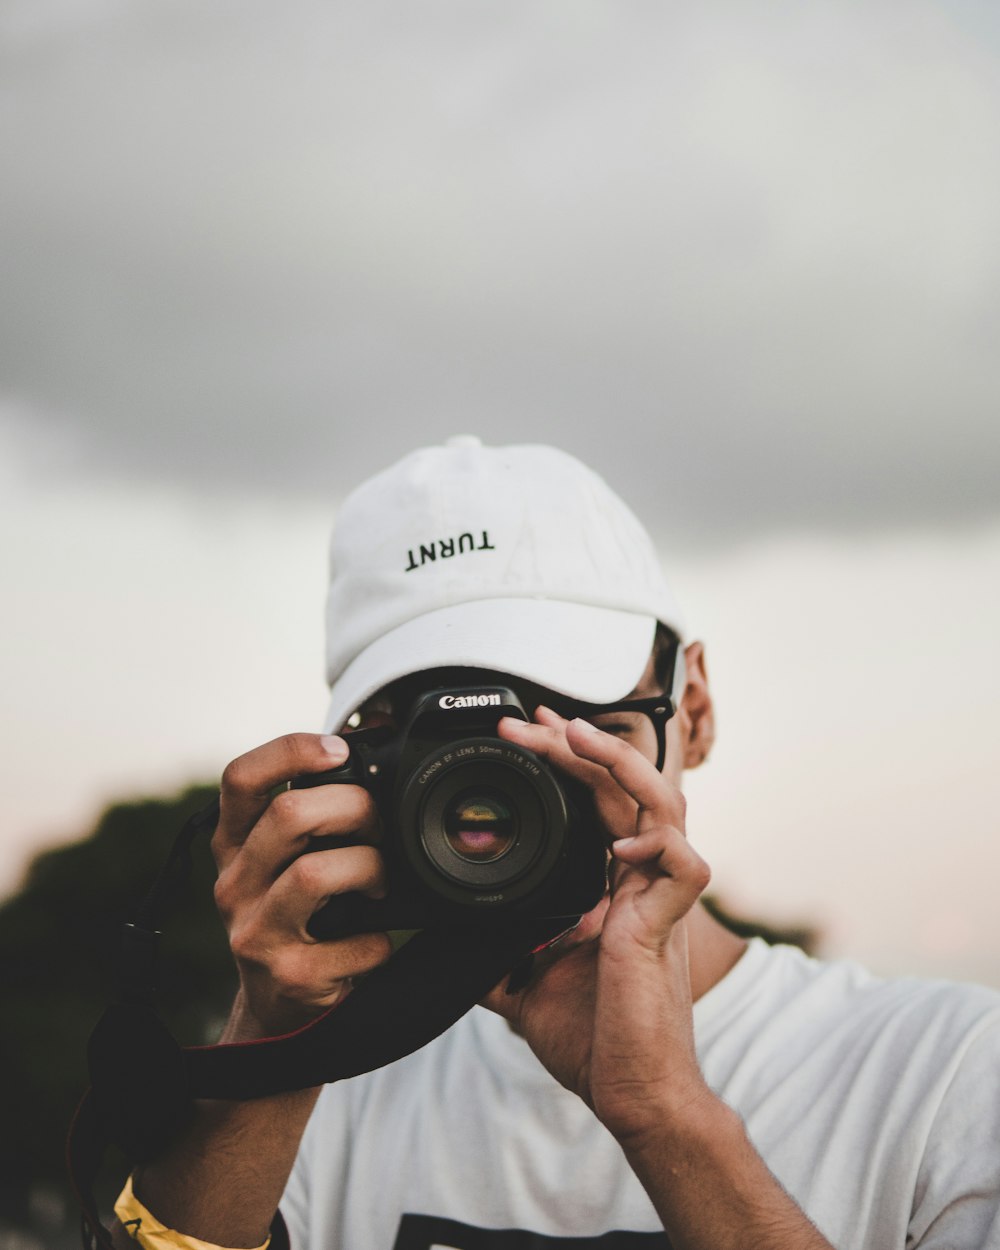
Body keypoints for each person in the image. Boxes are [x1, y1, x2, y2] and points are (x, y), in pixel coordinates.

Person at [112, 437, 1000, 1250]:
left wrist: (665, 1114)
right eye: (447, 753)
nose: (508, 800)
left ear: (692, 709)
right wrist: (274, 1045)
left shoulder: (950, 1077)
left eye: (578, 730)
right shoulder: (316, 1079)